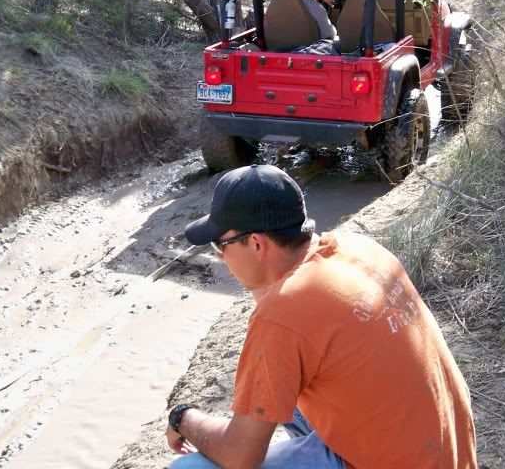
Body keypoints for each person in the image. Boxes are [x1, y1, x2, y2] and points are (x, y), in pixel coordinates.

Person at [164, 164, 478, 469]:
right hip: (444, 452)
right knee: (284, 395)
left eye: (220, 244)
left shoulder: (282, 312)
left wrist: (182, 417)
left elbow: (239, 455)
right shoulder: (356, 248)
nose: (219, 256)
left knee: (189, 467)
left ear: (257, 243)